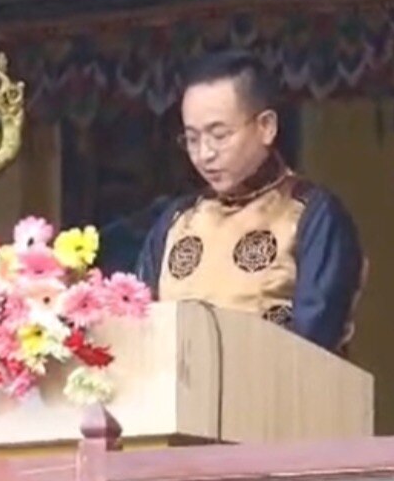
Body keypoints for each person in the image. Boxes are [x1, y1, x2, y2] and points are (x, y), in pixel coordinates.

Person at [136, 50, 364, 355]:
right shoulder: (178, 219)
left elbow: (314, 345)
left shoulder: (312, 214)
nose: (204, 154)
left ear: (266, 127)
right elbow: (138, 323)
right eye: (192, 138)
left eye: (219, 135)